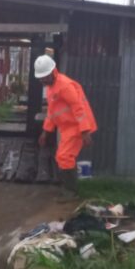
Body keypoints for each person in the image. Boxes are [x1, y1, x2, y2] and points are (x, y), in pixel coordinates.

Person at [35, 55, 97, 202]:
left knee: (65, 157)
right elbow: (52, 111)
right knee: (62, 157)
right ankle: (68, 189)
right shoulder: (51, 88)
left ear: (52, 72)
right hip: (68, 128)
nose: (42, 80)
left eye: (44, 77)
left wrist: (85, 132)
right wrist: (45, 132)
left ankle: (71, 192)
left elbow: (78, 108)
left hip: (77, 127)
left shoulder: (64, 85)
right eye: (40, 78)